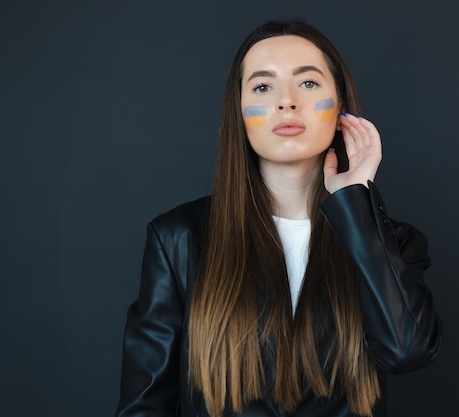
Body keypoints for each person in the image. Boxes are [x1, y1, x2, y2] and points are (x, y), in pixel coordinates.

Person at [115, 19, 441, 417]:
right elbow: (143, 406)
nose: (286, 102)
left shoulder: (391, 243)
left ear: (340, 103)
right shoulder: (178, 239)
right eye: (263, 86)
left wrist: (357, 204)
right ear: (239, 110)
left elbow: (407, 351)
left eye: (307, 83)